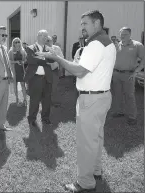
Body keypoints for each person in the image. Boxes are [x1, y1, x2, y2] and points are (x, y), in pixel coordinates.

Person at [37, 10, 116, 192]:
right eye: (81, 24)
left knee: (86, 142)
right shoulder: (106, 41)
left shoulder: (96, 44)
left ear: (97, 23)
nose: (81, 28)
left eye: (85, 24)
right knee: (96, 137)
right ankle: (95, 171)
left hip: (91, 99)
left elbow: (79, 71)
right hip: (102, 96)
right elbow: (87, 67)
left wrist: (57, 58)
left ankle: (85, 182)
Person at [112, 27, 145, 125]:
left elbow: (143, 59)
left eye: (125, 34)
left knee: (129, 96)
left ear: (130, 34)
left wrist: (136, 72)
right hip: (116, 74)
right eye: (121, 34)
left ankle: (132, 116)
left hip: (129, 75)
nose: (123, 36)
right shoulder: (117, 45)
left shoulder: (137, 45)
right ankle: (119, 112)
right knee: (117, 95)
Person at [24, 29, 54, 127]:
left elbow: (52, 59)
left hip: (47, 78)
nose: (45, 38)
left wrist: (41, 58)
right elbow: (32, 60)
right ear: (38, 36)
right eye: (43, 36)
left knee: (47, 100)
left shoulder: (49, 49)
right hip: (35, 78)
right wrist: (45, 59)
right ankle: (32, 119)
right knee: (34, 100)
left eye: (46, 36)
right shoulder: (30, 48)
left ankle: (45, 118)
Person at [8, 37, 27, 107]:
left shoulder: (23, 50)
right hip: (14, 70)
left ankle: (25, 99)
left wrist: (23, 62)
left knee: (23, 85)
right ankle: (17, 99)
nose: (17, 43)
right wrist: (16, 61)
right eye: (15, 42)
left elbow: (26, 60)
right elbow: (9, 61)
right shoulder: (10, 51)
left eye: (18, 42)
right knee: (15, 85)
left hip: (21, 70)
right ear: (13, 44)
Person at [46, 35, 64, 108]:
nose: (47, 42)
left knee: (54, 86)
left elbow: (61, 59)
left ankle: (53, 101)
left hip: (54, 70)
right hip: (45, 71)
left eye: (49, 40)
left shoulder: (57, 48)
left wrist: (61, 69)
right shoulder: (42, 49)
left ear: (52, 41)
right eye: (46, 41)